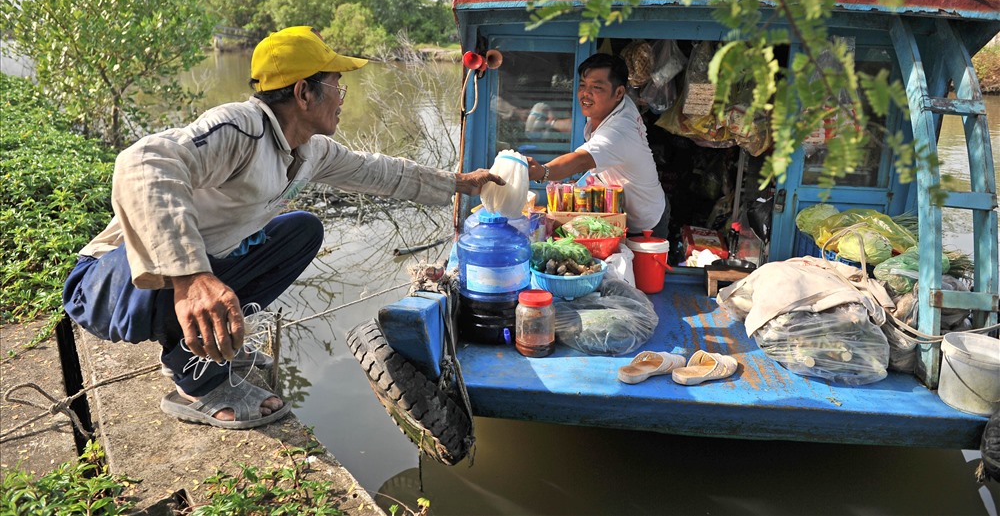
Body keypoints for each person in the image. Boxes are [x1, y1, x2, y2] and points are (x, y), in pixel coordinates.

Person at [63, 26, 503, 429]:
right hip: (107, 285)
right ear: (303, 93)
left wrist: (461, 183)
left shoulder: (311, 150)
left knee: (301, 231)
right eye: (336, 86)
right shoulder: (240, 128)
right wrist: (191, 278)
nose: (343, 97)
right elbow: (142, 162)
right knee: (203, 261)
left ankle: (194, 347)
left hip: (164, 284)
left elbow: (381, 173)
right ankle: (194, 384)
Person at [524, 52, 669, 237]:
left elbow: (580, 160)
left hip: (646, 224)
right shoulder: (613, 106)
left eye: (596, 87)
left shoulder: (619, 131)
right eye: (583, 85)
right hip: (622, 214)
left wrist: (542, 171)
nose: (585, 94)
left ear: (619, 92)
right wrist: (551, 124)